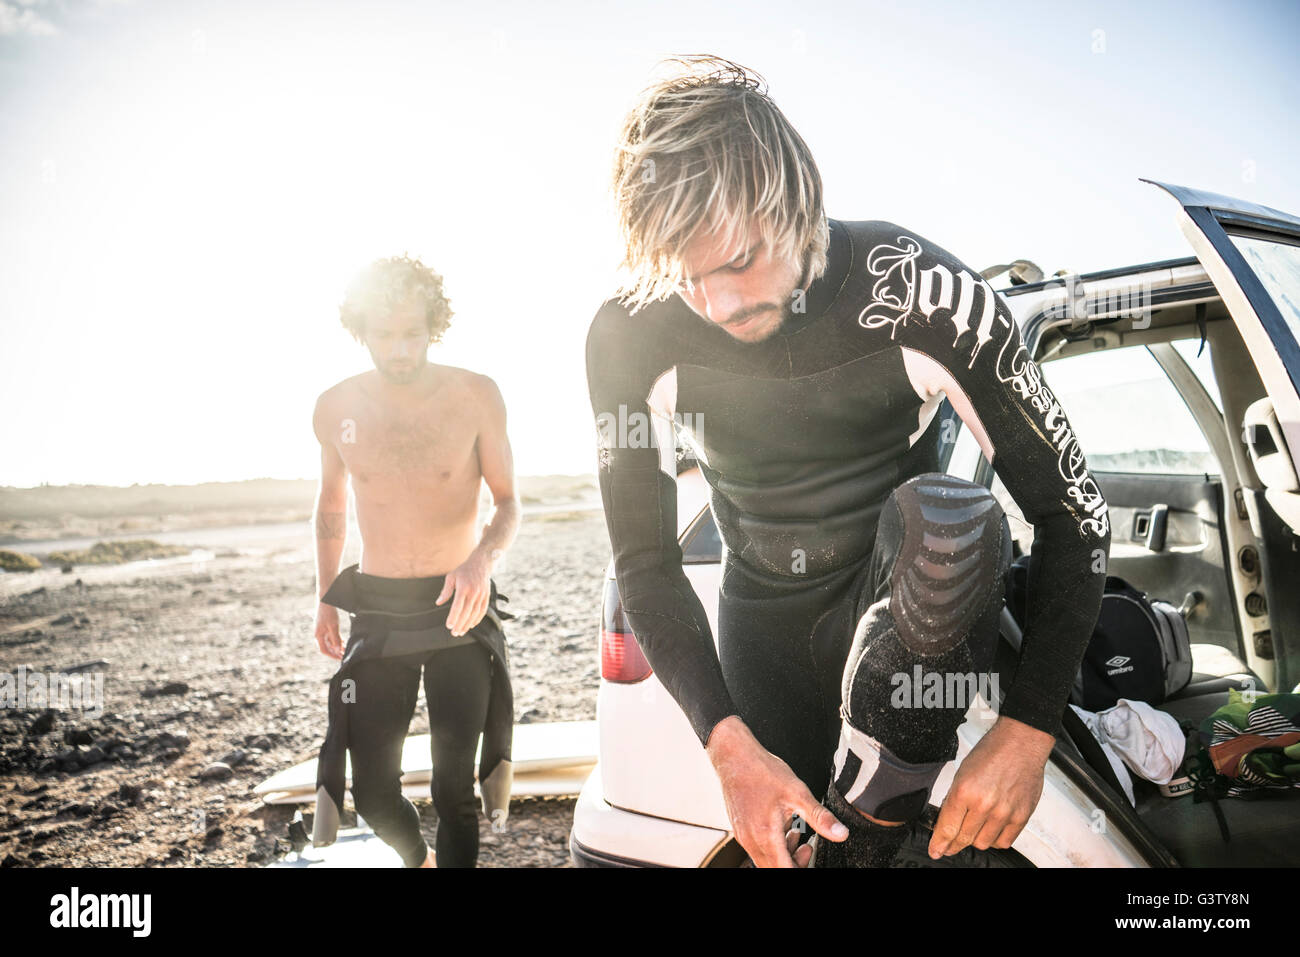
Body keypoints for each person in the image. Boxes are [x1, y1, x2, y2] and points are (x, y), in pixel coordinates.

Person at [585, 56, 1112, 867]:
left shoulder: (924, 294)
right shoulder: (629, 335)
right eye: (687, 278)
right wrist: (728, 747)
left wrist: (1026, 730)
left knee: (952, 519)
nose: (719, 304)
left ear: (796, 201)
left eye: (737, 259)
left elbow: (1073, 511)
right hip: (765, 641)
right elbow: (645, 567)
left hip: (918, 627)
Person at [311, 254, 520, 868]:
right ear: (361, 331)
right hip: (377, 611)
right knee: (374, 789)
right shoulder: (334, 407)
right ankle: (418, 861)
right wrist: (326, 594)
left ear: (434, 325)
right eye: (384, 334)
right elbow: (330, 508)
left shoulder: (477, 395)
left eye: (412, 333)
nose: (400, 350)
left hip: (458, 608)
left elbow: (508, 504)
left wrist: (481, 561)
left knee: (454, 792)